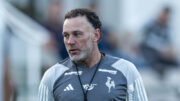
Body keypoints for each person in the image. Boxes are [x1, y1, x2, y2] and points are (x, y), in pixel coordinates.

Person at [38, 8, 148, 101]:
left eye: (77, 34)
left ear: (96, 35)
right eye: (66, 35)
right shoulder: (52, 76)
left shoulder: (126, 70)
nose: (70, 41)